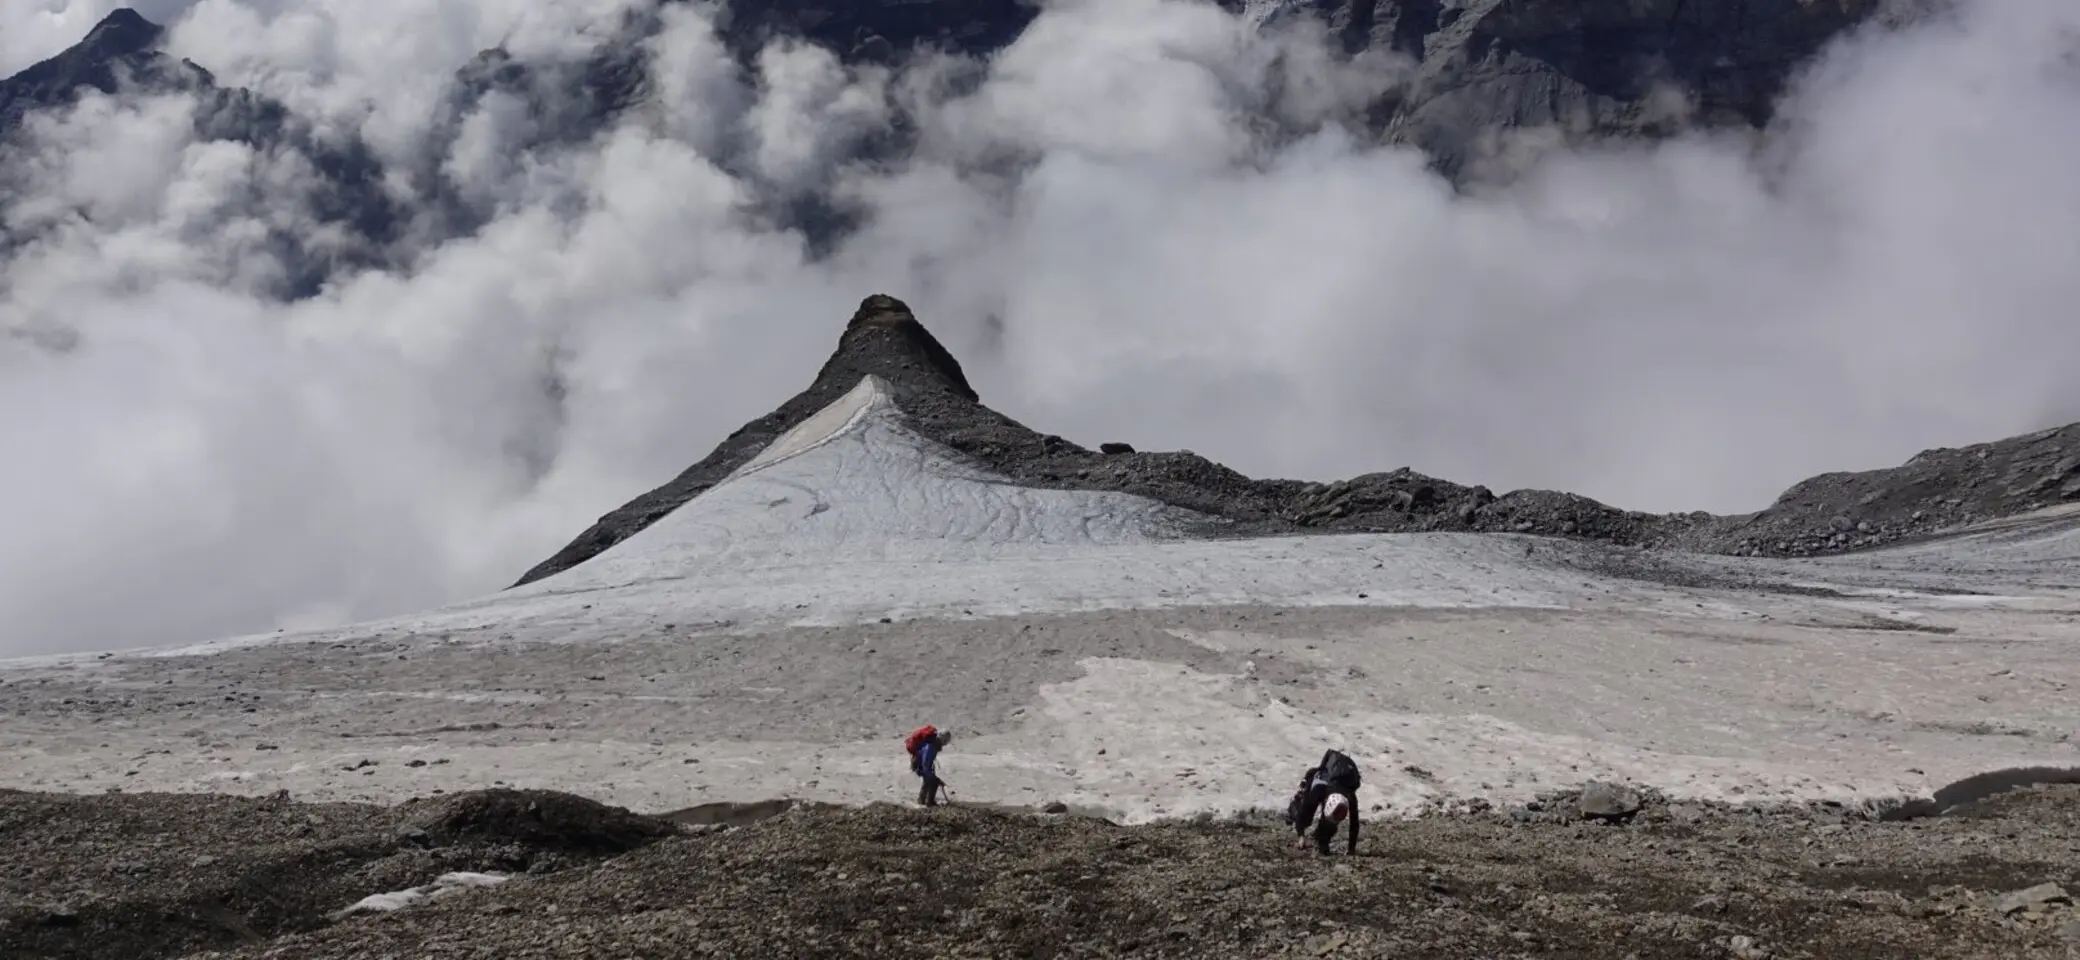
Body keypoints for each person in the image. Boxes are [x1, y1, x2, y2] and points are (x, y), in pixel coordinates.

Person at [1287, 748, 1362, 855]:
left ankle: (1323, 840)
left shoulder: (1350, 796)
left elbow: (1354, 824)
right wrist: (1301, 835)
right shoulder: (1319, 787)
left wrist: (1351, 849)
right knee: (1306, 811)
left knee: (1329, 827)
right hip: (1324, 775)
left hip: (1343, 776)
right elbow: (1304, 812)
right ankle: (1303, 831)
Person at [906, 726, 953, 806]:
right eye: (945, 742)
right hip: (919, 763)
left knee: (928, 780)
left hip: (920, 762)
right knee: (933, 782)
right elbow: (925, 767)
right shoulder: (930, 747)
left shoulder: (933, 742)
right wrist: (936, 779)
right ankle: (929, 803)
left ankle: (922, 801)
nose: (944, 745)